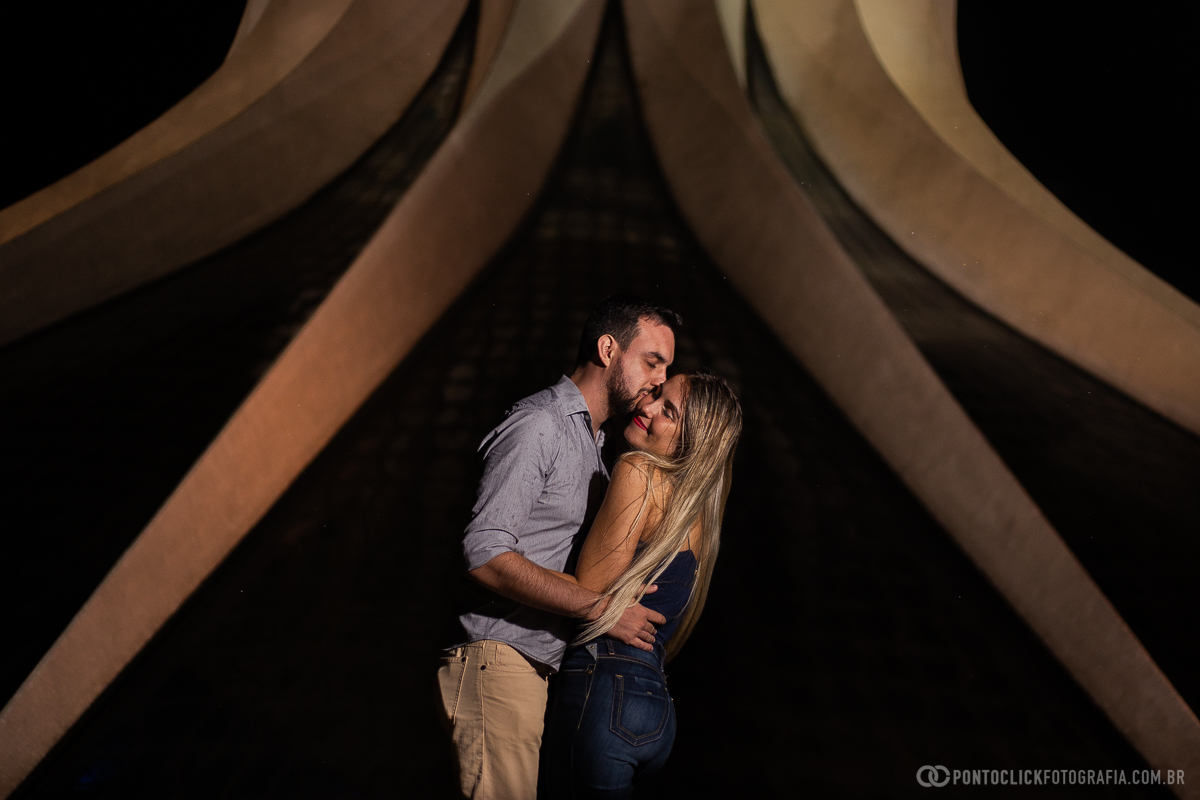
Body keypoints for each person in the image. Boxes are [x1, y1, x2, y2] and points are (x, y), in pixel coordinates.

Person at [437, 295, 684, 800]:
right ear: (608, 348)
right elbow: (482, 553)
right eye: (652, 361)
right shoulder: (541, 424)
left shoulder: (592, 444)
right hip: (499, 659)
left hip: (531, 668)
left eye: (666, 368)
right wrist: (603, 610)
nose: (659, 380)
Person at [539, 369, 743, 799]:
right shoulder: (701, 521)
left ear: (693, 442)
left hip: (604, 690)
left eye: (668, 411)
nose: (646, 408)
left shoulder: (639, 471)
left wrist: (508, 564)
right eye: (656, 395)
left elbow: (588, 589)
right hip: (654, 709)